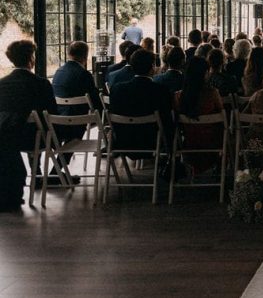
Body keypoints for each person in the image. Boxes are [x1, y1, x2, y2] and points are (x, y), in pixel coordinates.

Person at [0, 40, 57, 210]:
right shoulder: (41, 84)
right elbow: (52, 114)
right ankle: (39, 171)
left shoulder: (1, 84)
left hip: (5, 138)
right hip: (33, 139)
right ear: (31, 59)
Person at [109, 49, 173, 158]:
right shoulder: (161, 91)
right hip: (152, 142)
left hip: (123, 143)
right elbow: (167, 120)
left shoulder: (117, 89)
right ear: (152, 67)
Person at [51, 41, 103, 170]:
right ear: (85, 56)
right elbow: (96, 102)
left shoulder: (58, 72)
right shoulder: (84, 74)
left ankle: (56, 170)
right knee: (101, 119)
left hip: (57, 120)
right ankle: (56, 170)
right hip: (76, 124)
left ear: (69, 54)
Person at [173, 56, 224, 173]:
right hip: (212, 144)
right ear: (205, 73)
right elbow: (222, 116)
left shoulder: (178, 96)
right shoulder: (212, 94)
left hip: (189, 144)